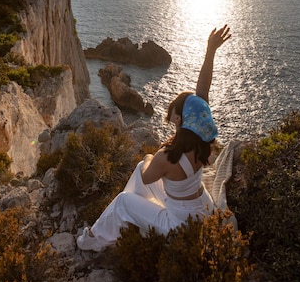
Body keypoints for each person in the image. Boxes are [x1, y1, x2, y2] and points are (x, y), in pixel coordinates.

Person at [77, 24, 231, 252]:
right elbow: (202, 91)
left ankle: (93, 239)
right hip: (203, 208)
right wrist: (210, 51)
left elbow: (149, 177)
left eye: (174, 114)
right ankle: (131, 217)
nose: (171, 116)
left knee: (124, 197)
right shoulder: (202, 140)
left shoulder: (167, 156)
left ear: (179, 120)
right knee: (140, 169)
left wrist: (150, 156)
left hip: (180, 224)